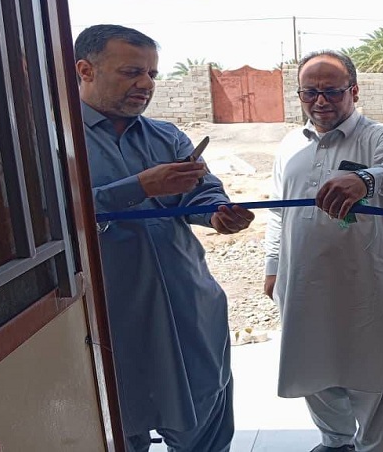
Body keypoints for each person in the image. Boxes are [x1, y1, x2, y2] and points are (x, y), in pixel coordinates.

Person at [75, 24, 254, 452]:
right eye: (131, 72)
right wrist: (139, 187)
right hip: (110, 314)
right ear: (85, 70)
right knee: (120, 423)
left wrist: (218, 213)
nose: (146, 84)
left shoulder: (167, 136)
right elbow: (56, 214)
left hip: (188, 302)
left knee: (204, 417)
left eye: (152, 74)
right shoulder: (55, 141)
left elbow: (202, 192)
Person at [263, 50, 383, 452]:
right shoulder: (290, 145)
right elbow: (278, 212)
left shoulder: (380, 138)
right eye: (310, 92)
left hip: (368, 285)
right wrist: (273, 265)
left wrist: (367, 180)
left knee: (375, 373)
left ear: (354, 91)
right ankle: (335, 442)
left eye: (332, 91)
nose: (320, 101)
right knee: (312, 368)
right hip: (303, 284)